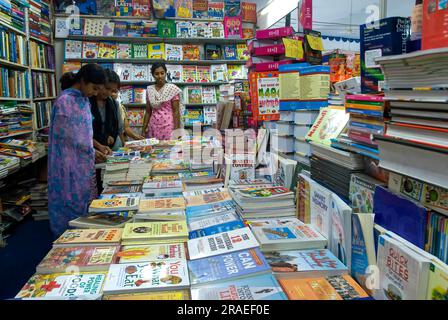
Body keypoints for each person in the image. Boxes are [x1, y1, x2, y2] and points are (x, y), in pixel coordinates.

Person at [48, 64, 107, 237]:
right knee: (68, 200)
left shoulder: (84, 99)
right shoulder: (64, 101)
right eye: (94, 88)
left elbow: (86, 132)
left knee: (84, 200)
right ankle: (63, 240)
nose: (95, 93)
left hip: (83, 163)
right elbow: (66, 138)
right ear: (82, 81)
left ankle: (80, 236)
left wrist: (95, 147)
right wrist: (92, 151)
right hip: (66, 163)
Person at [142, 62, 182, 140]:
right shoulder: (150, 90)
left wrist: (177, 131)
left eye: (162, 73)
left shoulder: (172, 89)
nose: (160, 76)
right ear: (153, 75)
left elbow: (176, 111)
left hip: (168, 126)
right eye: (156, 74)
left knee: (169, 149)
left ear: (166, 73)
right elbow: (148, 112)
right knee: (154, 150)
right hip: (153, 126)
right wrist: (143, 129)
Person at [90, 69, 121, 154]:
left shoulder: (114, 104)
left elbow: (117, 128)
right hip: (92, 149)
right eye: (107, 88)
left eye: (112, 91)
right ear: (99, 84)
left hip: (112, 148)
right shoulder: (87, 102)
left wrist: (111, 136)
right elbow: (83, 132)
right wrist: (101, 140)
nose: (109, 93)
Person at [110, 76, 145, 144]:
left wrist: (136, 137)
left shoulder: (121, 107)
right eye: (110, 91)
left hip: (120, 142)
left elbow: (126, 128)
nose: (112, 94)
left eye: (115, 92)